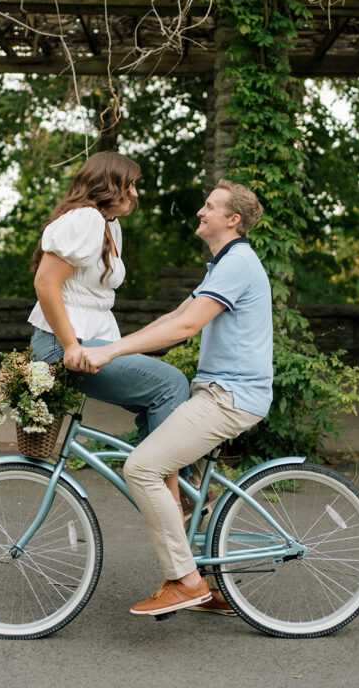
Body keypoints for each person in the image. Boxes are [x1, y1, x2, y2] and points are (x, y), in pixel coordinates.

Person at [70, 178, 273, 618]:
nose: (200, 212)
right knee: (184, 488)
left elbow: (185, 329)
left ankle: (185, 580)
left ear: (231, 220)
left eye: (209, 206)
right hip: (220, 393)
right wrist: (115, 348)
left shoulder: (237, 263)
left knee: (142, 467)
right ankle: (214, 588)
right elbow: (174, 316)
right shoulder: (224, 264)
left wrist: (109, 351)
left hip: (230, 398)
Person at [29, 151, 189, 444]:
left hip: (92, 343)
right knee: (171, 383)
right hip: (66, 344)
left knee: (157, 400)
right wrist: (70, 346)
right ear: (110, 185)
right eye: (131, 185)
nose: (136, 194)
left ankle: (158, 480)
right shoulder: (86, 218)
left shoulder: (110, 224)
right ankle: (169, 485)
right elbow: (46, 282)